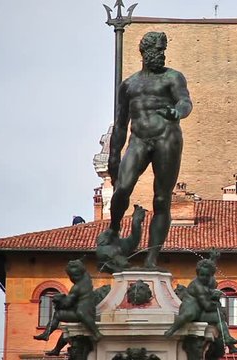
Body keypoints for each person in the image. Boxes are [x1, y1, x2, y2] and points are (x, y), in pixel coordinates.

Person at [97, 31, 193, 269]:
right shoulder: (128, 85)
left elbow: (185, 101)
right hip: (138, 139)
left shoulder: (173, 77)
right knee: (122, 189)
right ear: (144, 52)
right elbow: (120, 124)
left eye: (163, 50)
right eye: (157, 50)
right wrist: (113, 155)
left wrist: (177, 112)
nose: (161, 55)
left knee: (162, 198)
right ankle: (115, 227)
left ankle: (151, 258)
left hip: (167, 138)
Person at [164, 256, 237, 354]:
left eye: (207, 275)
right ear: (197, 274)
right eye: (202, 275)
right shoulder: (197, 286)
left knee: (219, 316)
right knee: (189, 314)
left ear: (211, 275)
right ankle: (171, 330)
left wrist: (213, 258)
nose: (204, 278)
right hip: (191, 308)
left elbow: (210, 267)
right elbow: (207, 306)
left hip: (201, 311)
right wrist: (216, 302)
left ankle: (229, 342)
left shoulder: (210, 280)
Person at [33, 260, 103, 345]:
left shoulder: (76, 287)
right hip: (87, 310)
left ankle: (46, 334)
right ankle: (48, 337)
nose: (72, 278)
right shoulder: (87, 280)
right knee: (65, 330)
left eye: (73, 276)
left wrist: (59, 301)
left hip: (83, 314)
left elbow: (67, 303)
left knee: (58, 315)